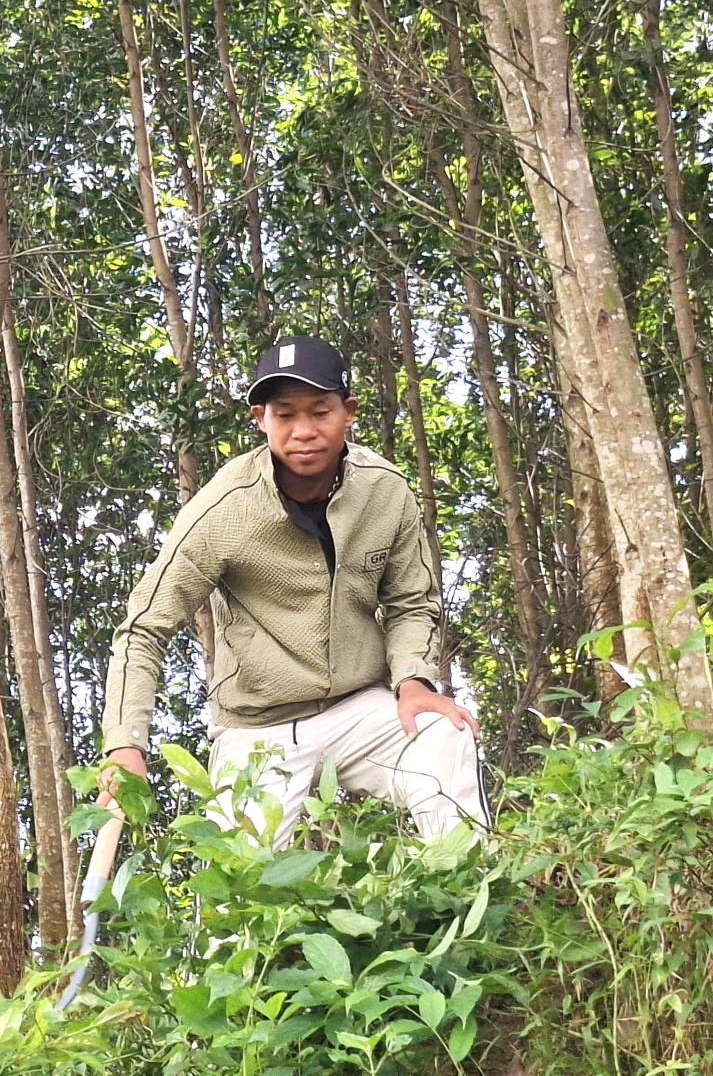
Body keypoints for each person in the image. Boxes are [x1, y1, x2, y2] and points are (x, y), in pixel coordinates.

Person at [98, 334, 488, 844]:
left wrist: (414, 680)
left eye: (320, 411)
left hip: (358, 705)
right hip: (259, 727)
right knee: (238, 896)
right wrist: (125, 745)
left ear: (348, 411)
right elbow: (146, 626)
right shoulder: (224, 507)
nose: (304, 431)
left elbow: (412, 602)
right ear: (261, 419)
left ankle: (465, 899)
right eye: (285, 415)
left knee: (446, 734)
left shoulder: (385, 489)